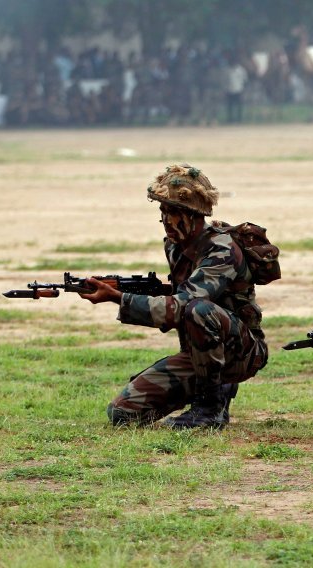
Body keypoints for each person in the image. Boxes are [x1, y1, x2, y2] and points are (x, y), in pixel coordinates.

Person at [80, 164, 269, 429]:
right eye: (163, 211)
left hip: (242, 352)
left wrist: (118, 298)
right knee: (123, 413)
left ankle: (209, 409)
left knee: (197, 309)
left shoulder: (222, 250)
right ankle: (213, 390)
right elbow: (178, 294)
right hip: (199, 355)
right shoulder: (174, 246)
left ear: (194, 215)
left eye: (174, 212)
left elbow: (183, 305)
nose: (167, 220)